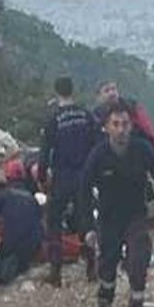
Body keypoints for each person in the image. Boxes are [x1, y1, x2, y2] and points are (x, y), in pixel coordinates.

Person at [77, 98, 154, 307]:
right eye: (116, 124)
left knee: (139, 260)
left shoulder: (142, 149)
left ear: (132, 125)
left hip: (136, 216)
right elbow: (83, 190)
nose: (121, 129)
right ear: (107, 127)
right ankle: (105, 300)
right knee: (107, 263)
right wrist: (87, 227)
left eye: (125, 124)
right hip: (108, 218)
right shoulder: (98, 155)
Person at [39, 76, 100, 287]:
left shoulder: (54, 119)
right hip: (84, 174)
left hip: (62, 176)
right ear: (72, 91)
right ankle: (92, 267)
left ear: (57, 92)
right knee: (86, 219)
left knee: (54, 221)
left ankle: (55, 272)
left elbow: (45, 151)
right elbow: (98, 144)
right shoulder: (86, 114)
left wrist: (41, 178)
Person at [93, 81, 154, 169]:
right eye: (107, 91)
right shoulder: (96, 118)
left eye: (113, 89)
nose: (112, 93)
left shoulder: (132, 108)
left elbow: (150, 133)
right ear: (98, 97)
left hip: (139, 156)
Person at [0, 180, 43, 285]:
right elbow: (41, 221)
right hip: (34, 245)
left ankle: (3, 267)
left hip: (12, 246)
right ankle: (19, 264)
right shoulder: (31, 196)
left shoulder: (2, 195)